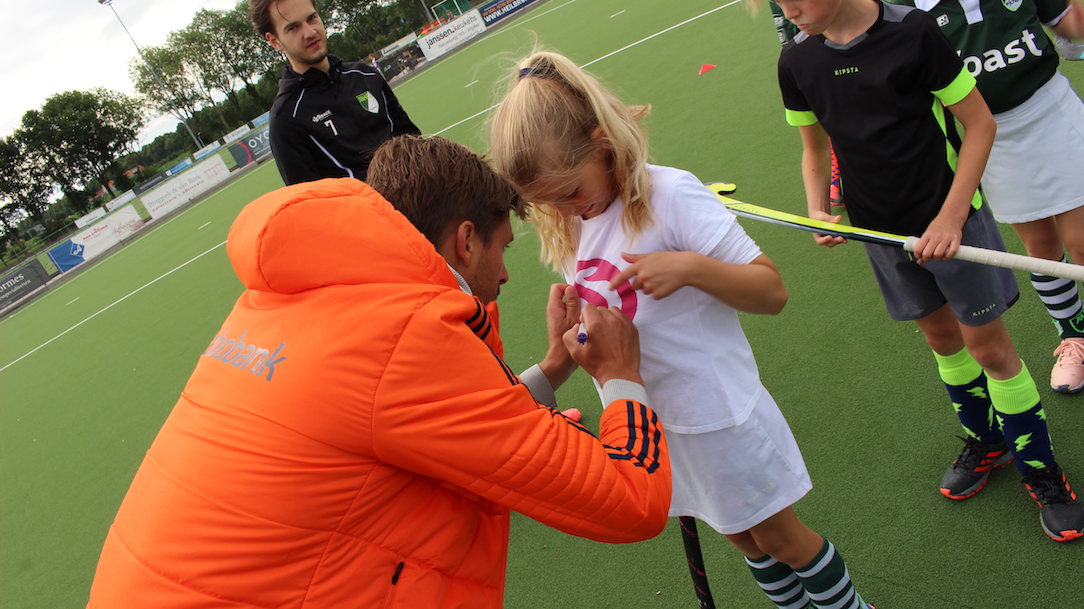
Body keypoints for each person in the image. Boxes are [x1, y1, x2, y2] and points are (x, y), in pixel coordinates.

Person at [85, 135, 672, 608]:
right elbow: (632, 498)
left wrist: (551, 369)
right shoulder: (407, 338)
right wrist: (619, 373)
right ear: (466, 241)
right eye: (503, 249)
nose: (505, 275)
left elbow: (409, 418)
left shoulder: (286, 298)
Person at [489, 50, 873, 609]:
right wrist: (574, 337)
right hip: (660, 424)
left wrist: (692, 268)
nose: (565, 210)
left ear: (601, 142)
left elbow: (771, 291)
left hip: (716, 414)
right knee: (743, 538)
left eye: (569, 192)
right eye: (547, 202)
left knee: (781, 538)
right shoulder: (573, 225)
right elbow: (616, 320)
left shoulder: (669, 196)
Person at [774, 0, 1084, 541]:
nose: (789, 9)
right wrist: (817, 207)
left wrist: (952, 217)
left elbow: (980, 123)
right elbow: (814, 147)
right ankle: (987, 441)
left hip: (952, 223)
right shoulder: (796, 61)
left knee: (990, 350)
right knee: (942, 341)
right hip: (881, 232)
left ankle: (1042, 471)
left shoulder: (913, 31)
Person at [887, 0, 1084, 395]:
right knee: (1041, 249)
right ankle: (1075, 337)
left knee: (1081, 242)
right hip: (988, 136)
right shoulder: (907, 10)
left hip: (1051, 110)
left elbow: (1071, 27)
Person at [249, 0, 421, 185]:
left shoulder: (365, 75)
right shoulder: (287, 118)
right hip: (368, 205)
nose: (310, 32)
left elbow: (412, 140)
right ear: (275, 41)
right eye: (293, 28)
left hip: (418, 196)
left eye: (311, 18)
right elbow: (311, 198)